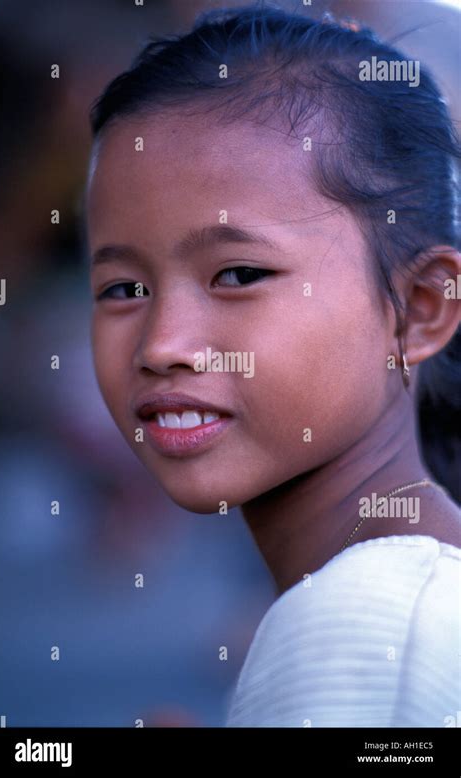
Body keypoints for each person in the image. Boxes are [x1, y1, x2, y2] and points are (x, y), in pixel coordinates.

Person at [85, 5, 461, 727]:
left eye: (239, 274)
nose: (163, 344)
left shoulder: (365, 628)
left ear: (417, 308)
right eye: (124, 289)